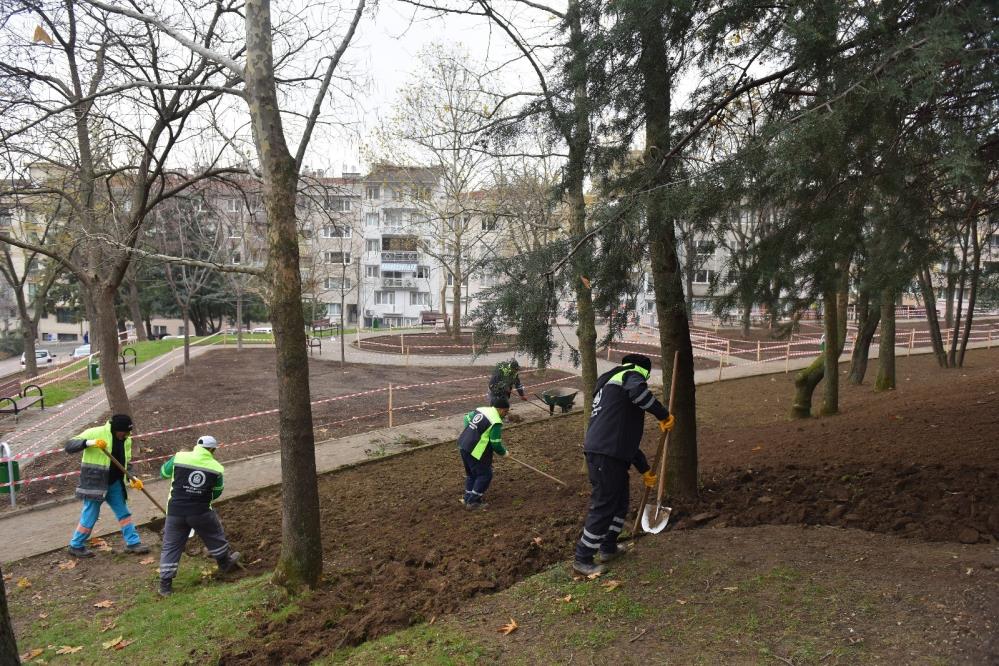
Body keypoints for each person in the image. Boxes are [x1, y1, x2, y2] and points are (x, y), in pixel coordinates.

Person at [572, 354, 675, 576]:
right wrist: (663, 414)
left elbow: (624, 440)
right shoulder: (630, 375)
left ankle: (608, 547)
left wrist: (645, 469)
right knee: (604, 505)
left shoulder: (612, 388)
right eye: (645, 375)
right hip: (605, 454)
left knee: (620, 503)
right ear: (643, 371)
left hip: (610, 452)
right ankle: (583, 558)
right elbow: (639, 393)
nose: (644, 379)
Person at [157, 436, 240, 596]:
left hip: (175, 511)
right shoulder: (217, 468)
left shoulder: (179, 457)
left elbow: (163, 473)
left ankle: (165, 586)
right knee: (214, 535)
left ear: (197, 446)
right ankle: (225, 563)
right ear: (213, 450)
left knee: (171, 545)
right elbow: (217, 491)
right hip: (200, 511)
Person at [64, 414, 151, 558]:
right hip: (95, 483)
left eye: (129, 432)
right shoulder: (95, 432)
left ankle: (133, 543)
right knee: (90, 515)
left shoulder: (126, 440)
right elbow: (69, 446)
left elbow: (126, 462)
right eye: (125, 432)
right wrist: (90, 443)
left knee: (124, 513)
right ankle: (76, 545)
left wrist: (133, 478)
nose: (127, 435)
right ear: (117, 429)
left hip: (115, 482)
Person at [458, 397, 511, 510]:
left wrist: (472, 433)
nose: (505, 415)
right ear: (501, 410)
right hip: (475, 451)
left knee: (471, 474)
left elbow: (466, 418)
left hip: (463, 444)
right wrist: (504, 453)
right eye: (506, 411)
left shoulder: (482, 410)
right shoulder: (496, 421)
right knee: (485, 475)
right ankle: (473, 502)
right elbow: (495, 443)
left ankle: (467, 497)